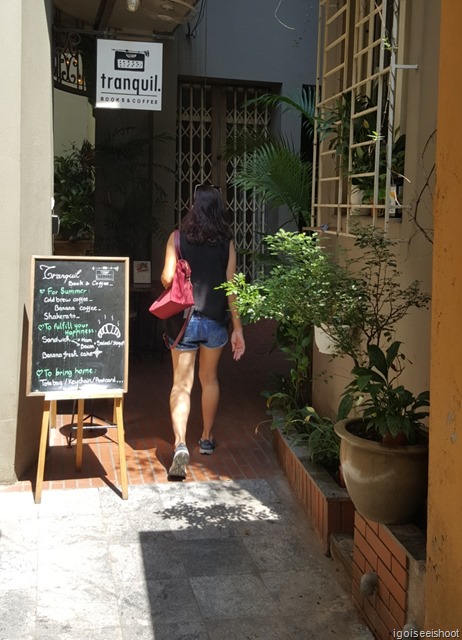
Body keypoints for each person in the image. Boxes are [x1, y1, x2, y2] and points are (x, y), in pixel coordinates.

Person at [160, 184, 245, 479]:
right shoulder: (226, 242)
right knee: (209, 380)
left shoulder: (177, 238)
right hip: (214, 322)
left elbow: (167, 278)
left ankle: (180, 443)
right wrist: (238, 329)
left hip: (184, 321)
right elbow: (231, 288)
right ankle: (207, 439)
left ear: (193, 207)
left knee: (181, 385)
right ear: (219, 208)